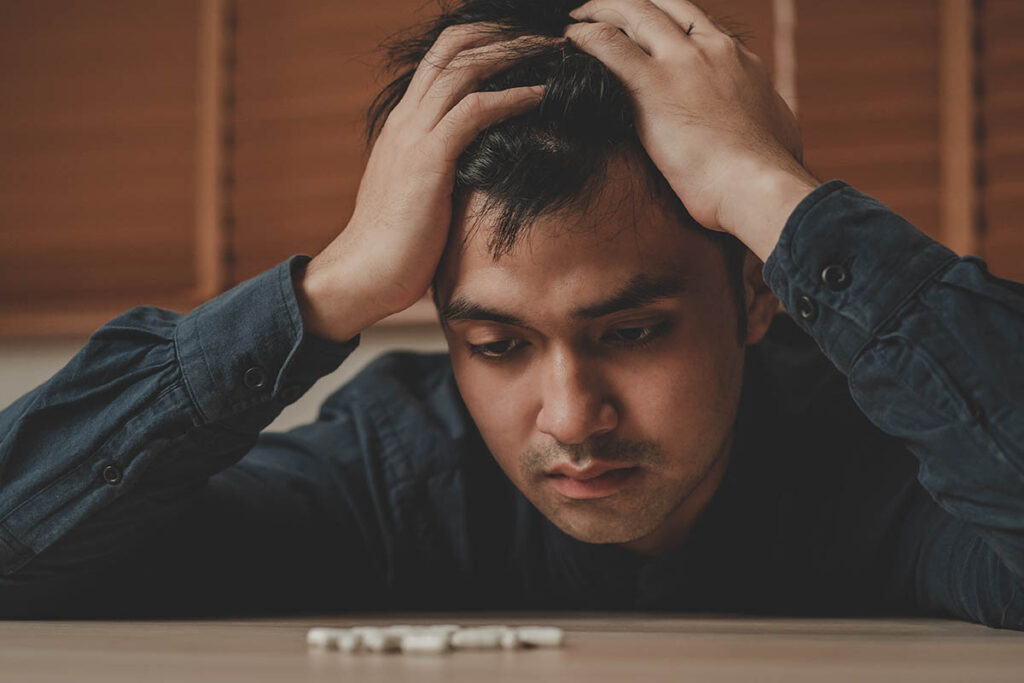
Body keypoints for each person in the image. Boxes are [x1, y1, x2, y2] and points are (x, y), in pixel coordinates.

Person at [0, 0, 1021, 628]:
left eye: (632, 332)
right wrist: (329, 288)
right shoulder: (402, 471)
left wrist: (769, 195)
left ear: (755, 292)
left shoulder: (891, 462)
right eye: (496, 344)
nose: (570, 417)